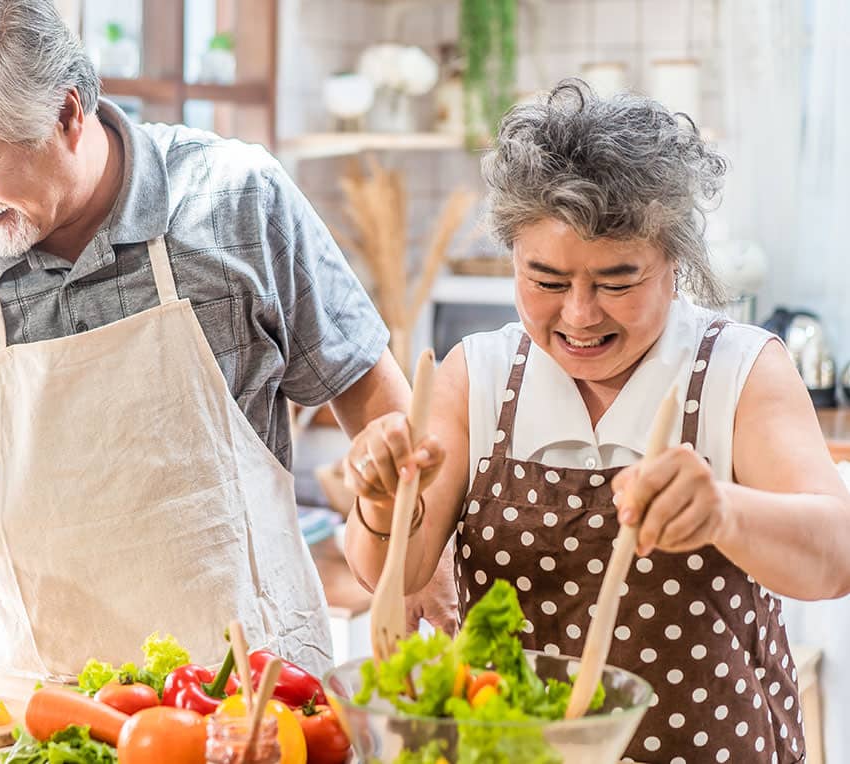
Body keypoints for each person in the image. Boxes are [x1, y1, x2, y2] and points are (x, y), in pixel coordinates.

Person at [0, 0, 443, 680]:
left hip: (257, 693)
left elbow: (367, 387)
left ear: (68, 114)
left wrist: (416, 553)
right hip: (44, 701)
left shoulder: (237, 198)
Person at [344, 81, 850, 761]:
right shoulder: (478, 378)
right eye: (547, 281)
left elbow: (835, 559)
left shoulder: (738, 371)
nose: (579, 315)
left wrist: (723, 512)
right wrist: (382, 503)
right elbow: (394, 576)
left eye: (616, 282)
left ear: (674, 264)